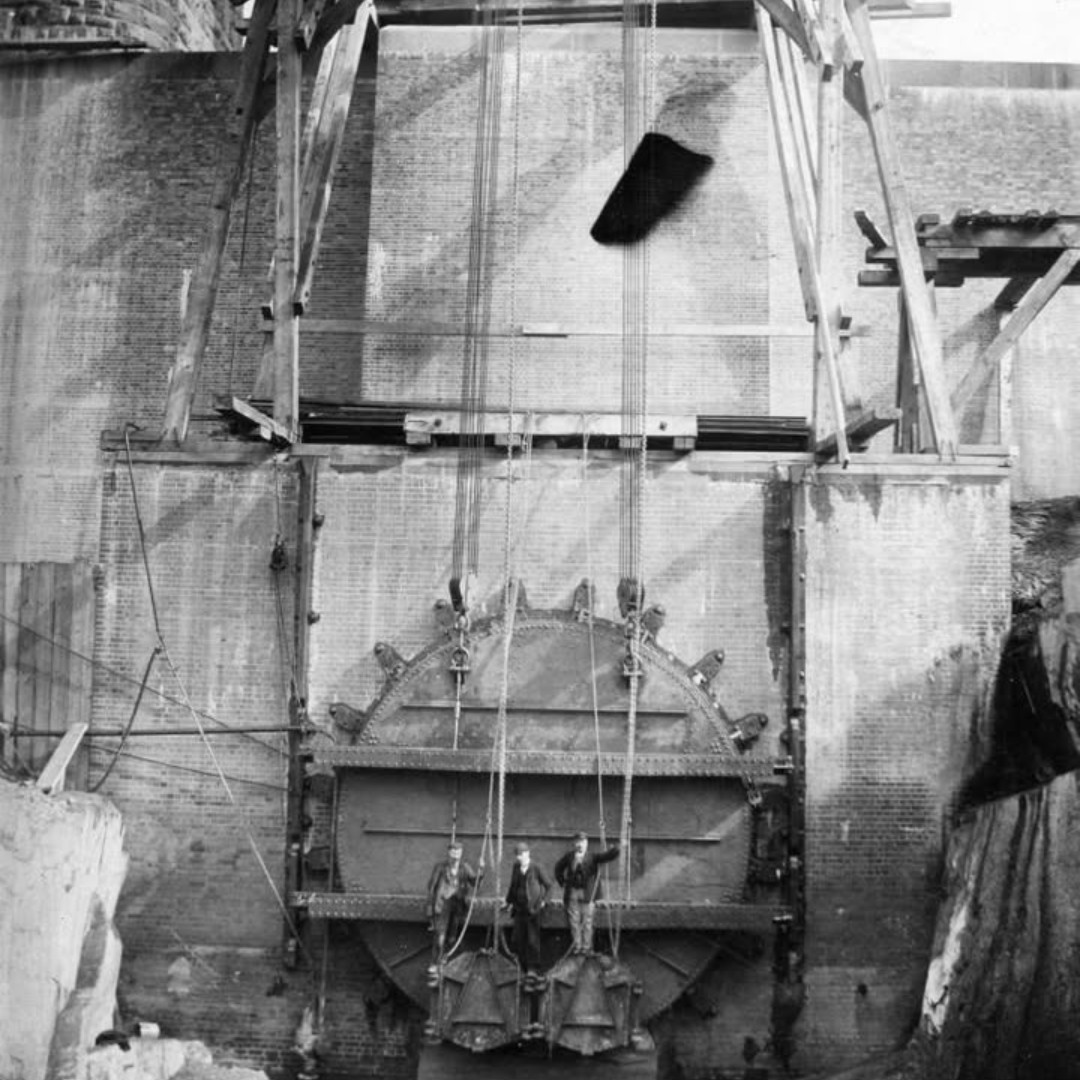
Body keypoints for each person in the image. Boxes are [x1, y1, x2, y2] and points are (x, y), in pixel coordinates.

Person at [553, 831, 620, 955]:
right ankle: (577, 946)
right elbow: (558, 868)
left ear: (587, 843)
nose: (580, 845)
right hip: (572, 893)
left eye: (583, 842)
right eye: (578, 842)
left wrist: (617, 848)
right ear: (574, 843)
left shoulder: (593, 857)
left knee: (587, 922)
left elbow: (607, 856)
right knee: (574, 922)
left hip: (588, 894)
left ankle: (586, 947)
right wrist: (562, 882)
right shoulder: (569, 857)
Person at [426, 840, 481, 970]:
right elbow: (432, 887)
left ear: (461, 853)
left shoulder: (465, 867)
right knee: (440, 936)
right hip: (443, 905)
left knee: (452, 938)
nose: (455, 854)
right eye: (453, 851)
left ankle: (445, 962)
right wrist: (429, 907)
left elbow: (475, 883)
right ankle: (435, 963)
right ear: (449, 852)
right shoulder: (440, 867)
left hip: (457, 906)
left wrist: (481, 870)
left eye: (458, 851)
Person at [502, 840, 552, 975]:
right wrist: (508, 902)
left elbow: (548, 885)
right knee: (519, 939)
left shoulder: (536, 867)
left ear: (528, 853)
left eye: (522, 854)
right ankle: (522, 968)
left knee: (532, 940)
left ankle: (532, 969)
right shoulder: (516, 867)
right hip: (519, 909)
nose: (520, 858)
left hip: (533, 910)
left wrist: (544, 901)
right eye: (518, 855)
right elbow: (513, 886)